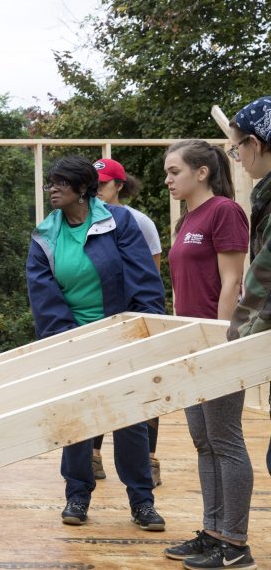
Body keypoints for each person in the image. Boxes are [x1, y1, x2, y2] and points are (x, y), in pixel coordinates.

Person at [25, 155, 165, 531]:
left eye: (60, 183)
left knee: (130, 419)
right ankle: (77, 495)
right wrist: (71, 342)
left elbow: (144, 279)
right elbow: (44, 297)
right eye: (49, 183)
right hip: (74, 339)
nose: (52, 189)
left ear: (83, 188)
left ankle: (142, 502)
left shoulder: (118, 223)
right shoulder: (45, 235)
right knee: (78, 418)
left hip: (121, 335)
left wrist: (141, 331)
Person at [159, 123, 268, 569]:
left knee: (225, 441)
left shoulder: (225, 212)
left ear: (202, 172)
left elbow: (232, 282)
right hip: (189, 343)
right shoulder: (188, 219)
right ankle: (211, 532)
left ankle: (235, 544)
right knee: (204, 442)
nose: (167, 179)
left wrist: (223, 344)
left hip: (217, 342)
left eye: (173, 171)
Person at [90, 157, 163, 484]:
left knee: (144, 387)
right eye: (93, 186)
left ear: (119, 185)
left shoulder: (139, 222)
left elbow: (152, 272)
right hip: (100, 319)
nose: (97, 191)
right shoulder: (84, 220)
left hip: (134, 317)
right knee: (99, 386)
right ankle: (93, 455)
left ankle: (149, 457)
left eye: (103, 185)